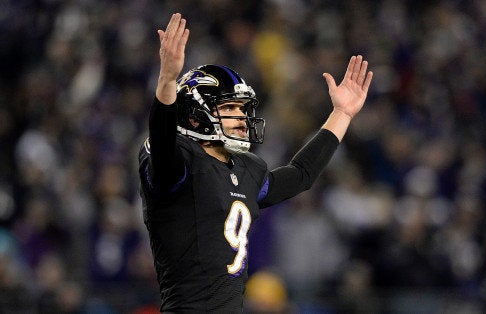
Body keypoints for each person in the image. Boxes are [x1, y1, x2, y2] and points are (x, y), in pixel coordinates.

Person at [137, 13, 373, 313]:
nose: (241, 117)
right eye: (230, 107)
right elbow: (162, 141)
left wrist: (342, 114)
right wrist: (167, 82)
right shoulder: (180, 162)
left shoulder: (246, 168)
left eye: (242, 108)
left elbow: (301, 174)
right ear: (195, 114)